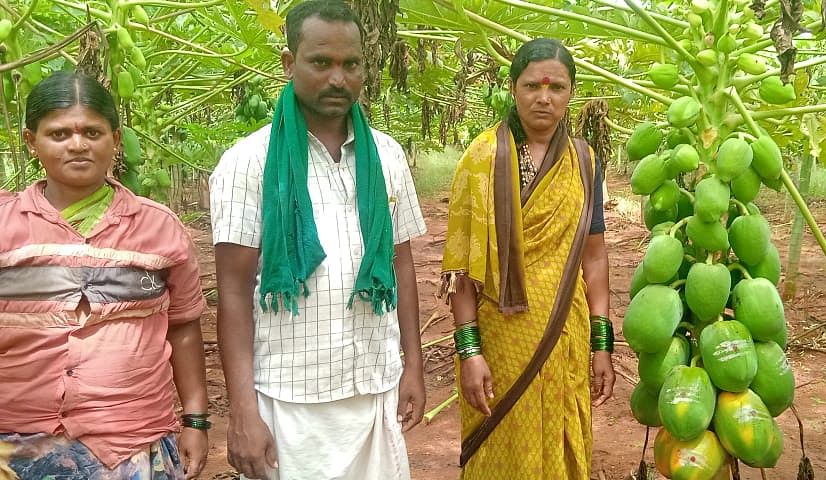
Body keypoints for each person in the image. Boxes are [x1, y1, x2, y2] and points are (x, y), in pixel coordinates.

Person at [208, 1, 426, 479]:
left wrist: (413, 365)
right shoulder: (248, 162)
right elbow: (233, 291)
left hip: (374, 387)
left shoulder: (387, 157)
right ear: (289, 64)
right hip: (290, 400)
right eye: (321, 62)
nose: (338, 78)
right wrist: (243, 410)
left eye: (351, 64)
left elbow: (401, 264)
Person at [0, 71, 209, 478]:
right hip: (16, 440)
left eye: (92, 133)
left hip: (133, 440)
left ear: (115, 139)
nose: (77, 145)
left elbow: (183, 327)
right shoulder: (5, 227)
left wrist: (196, 420)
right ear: (31, 142)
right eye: (59, 134)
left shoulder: (160, 228)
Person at [439, 38, 616, 479]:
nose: (544, 97)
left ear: (570, 92)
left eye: (556, 86)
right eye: (532, 85)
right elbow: (464, 269)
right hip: (501, 342)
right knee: (503, 451)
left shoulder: (584, 162)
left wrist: (602, 345)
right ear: (513, 89)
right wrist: (469, 352)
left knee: (562, 445)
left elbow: (593, 259)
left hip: (566, 335)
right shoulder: (481, 160)